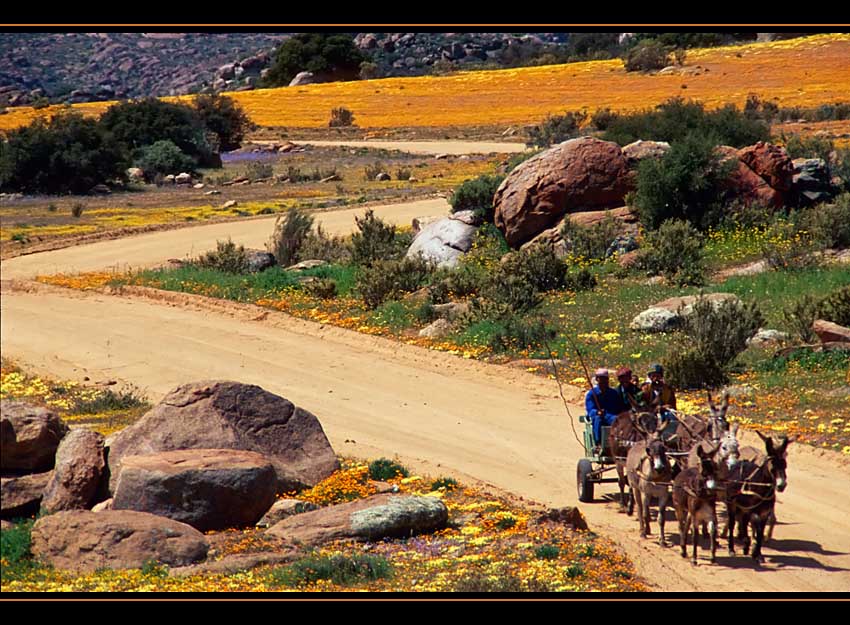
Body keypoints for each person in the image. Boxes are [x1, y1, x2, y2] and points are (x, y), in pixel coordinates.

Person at [585, 368, 626, 451]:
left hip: (610, 416)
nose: (604, 381)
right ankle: (598, 443)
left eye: (606, 379)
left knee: (618, 420)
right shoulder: (591, 394)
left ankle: (619, 442)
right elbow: (590, 410)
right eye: (601, 378)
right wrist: (597, 412)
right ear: (597, 379)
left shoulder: (613, 393)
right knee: (598, 419)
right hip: (597, 416)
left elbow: (618, 407)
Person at [643, 363, 678, 440]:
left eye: (658, 376)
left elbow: (672, 405)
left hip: (665, 414)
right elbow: (643, 406)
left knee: (672, 415)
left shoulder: (667, 389)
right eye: (653, 376)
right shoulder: (645, 389)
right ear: (650, 377)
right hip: (650, 414)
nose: (656, 379)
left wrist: (666, 407)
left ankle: (672, 437)